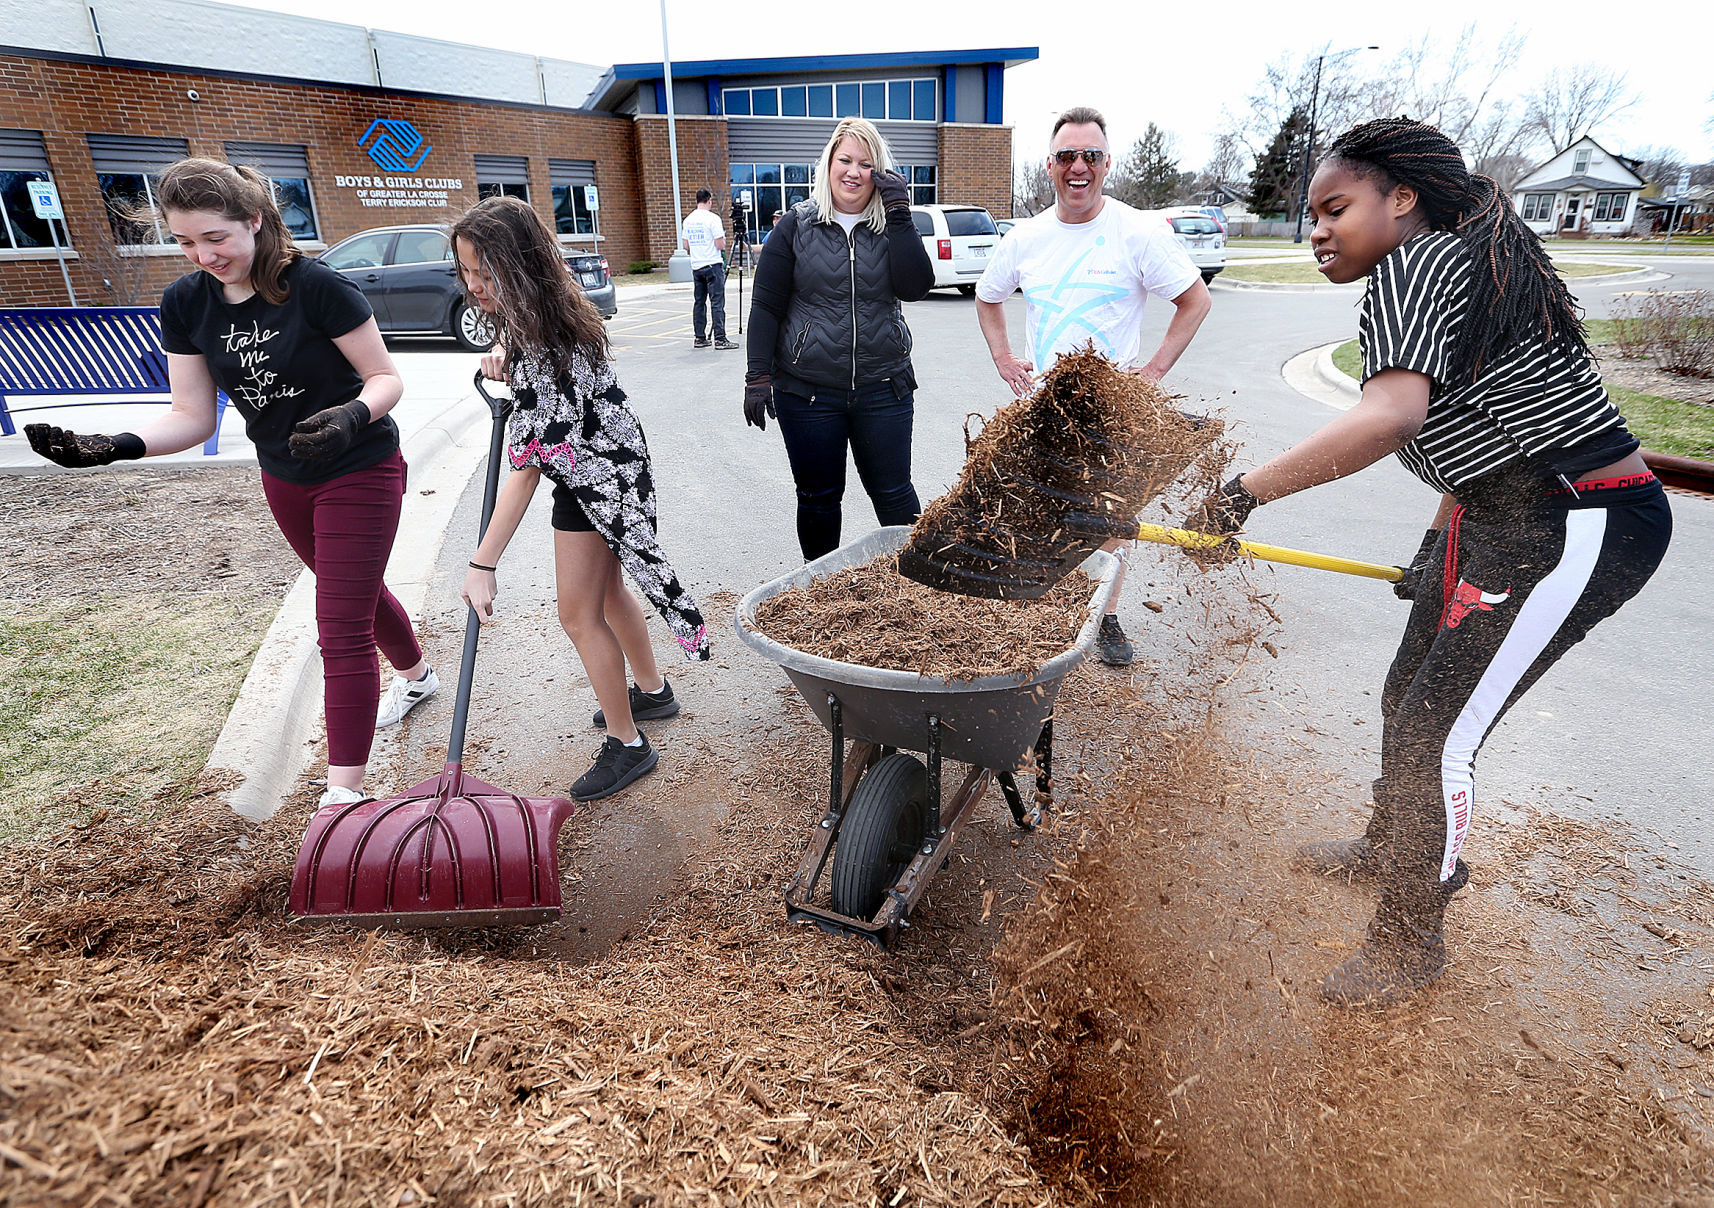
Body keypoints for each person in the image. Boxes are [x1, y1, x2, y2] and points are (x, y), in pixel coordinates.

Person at [1191, 117, 1672, 1007]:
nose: (1317, 230)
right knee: (1406, 688)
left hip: (1582, 521)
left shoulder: (1420, 261)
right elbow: (1483, 435)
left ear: (1400, 199)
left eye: (1335, 208)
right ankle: (1388, 846)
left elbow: (1390, 421)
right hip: (1497, 514)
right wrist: (1434, 550)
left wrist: (1241, 494)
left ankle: (1412, 938)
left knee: (1435, 732)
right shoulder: (1439, 264)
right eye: (1310, 215)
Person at [25, 158, 436, 811]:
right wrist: (114, 447)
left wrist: (352, 413)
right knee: (352, 593)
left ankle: (342, 796)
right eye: (185, 241)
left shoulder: (317, 287)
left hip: (358, 466)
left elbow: (385, 378)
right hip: (284, 475)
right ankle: (416, 676)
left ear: (254, 220)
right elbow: (191, 414)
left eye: (215, 237)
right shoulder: (186, 302)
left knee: (339, 626)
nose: (202, 254)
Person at [452, 197, 711, 802]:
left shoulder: (545, 342)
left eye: (487, 273)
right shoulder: (546, 316)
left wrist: (482, 563)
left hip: (595, 480)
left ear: (520, 268)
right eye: (466, 272)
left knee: (577, 611)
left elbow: (525, 473)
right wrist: (506, 364)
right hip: (615, 465)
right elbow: (542, 392)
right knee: (608, 591)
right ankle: (651, 691)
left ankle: (628, 744)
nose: (475, 286)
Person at [975, 106, 1213, 667]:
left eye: (1090, 156)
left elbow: (1194, 300)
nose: (1077, 167)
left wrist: (1152, 373)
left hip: (1110, 410)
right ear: (1050, 166)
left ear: (1107, 164)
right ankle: (1039, 614)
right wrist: (1005, 358)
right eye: (1066, 157)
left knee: (1108, 524)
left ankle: (1104, 615)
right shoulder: (1027, 237)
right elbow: (987, 297)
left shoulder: (1136, 232)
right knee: (1036, 512)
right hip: (1043, 408)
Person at [742, 117, 935, 561]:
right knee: (818, 498)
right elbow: (766, 306)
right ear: (828, 163)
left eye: (865, 164)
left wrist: (901, 214)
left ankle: (925, 588)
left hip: (883, 387)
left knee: (894, 494)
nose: (853, 171)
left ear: (879, 172)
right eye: (844, 159)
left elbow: (915, 287)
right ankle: (819, 591)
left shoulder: (891, 225)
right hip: (807, 392)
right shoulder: (796, 226)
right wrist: (758, 376)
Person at [683, 188, 736, 350]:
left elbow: (686, 246)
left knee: (699, 302)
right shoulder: (713, 219)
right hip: (712, 264)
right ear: (709, 201)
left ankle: (700, 337)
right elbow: (719, 244)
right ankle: (720, 338)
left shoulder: (688, 220)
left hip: (697, 265)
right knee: (717, 302)